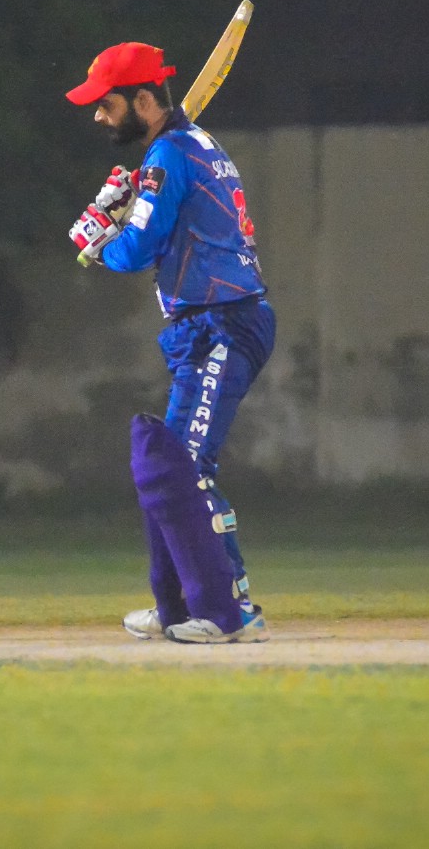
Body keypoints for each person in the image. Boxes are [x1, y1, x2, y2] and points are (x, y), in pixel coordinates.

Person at [66, 41, 275, 644]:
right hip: (210, 324)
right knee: (169, 470)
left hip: (222, 323)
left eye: (106, 105)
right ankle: (181, 603)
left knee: (187, 469)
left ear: (142, 100)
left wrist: (102, 239)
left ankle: (235, 610)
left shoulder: (169, 156)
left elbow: (137, 250)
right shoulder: (190, 146)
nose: (98, 117)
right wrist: (132, 210)